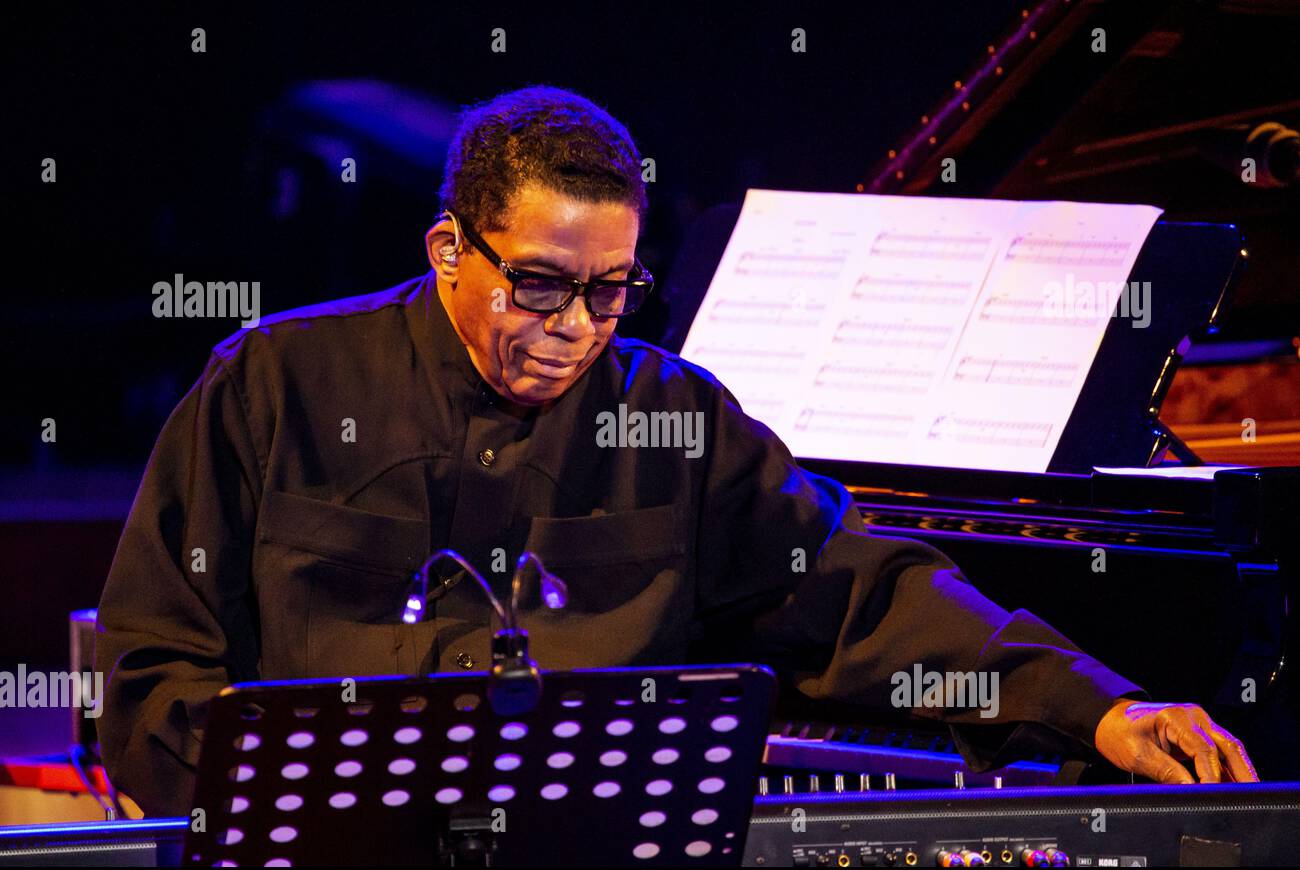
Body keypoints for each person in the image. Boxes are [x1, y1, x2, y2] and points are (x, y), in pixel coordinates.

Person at [96, 85, 1256, 818]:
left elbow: (863, 590)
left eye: (610, 292)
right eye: (540, 284)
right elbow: (153, 672)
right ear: (450, 245)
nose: (573, 328)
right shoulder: (273, 383)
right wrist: (280, 816)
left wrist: (1096, 705)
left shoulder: (672, 417)